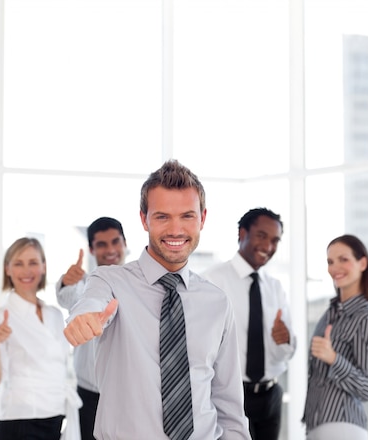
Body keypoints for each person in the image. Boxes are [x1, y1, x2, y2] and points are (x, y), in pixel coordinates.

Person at [63, 159, 251, 440]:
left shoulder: (217, 302)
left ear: (202, 218)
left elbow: (229, 406)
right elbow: (92, 302)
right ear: (144, 219)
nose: (176, 230)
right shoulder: (110, 281)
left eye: (187, 216)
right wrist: (83, 318)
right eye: (162, 216)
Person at [202, 207, 297, 440]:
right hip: (230, 395)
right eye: (261, 236)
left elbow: (285, 352)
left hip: (270, 395)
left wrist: (285, 340)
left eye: (275, 240)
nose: (268, 246)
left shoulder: (275, 287)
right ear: (242, 233)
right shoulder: (212, 281)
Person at [0, 237, 80, 440]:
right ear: (7, 269)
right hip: (21, 421)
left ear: (43, 267)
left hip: (55, 420)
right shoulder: (1, 317)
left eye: (33, 263)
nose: (26, 271)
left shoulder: (54, 314)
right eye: (18, 263)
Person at [302, 234, 368, 440]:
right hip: (317, 424)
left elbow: (367, 388)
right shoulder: (331, 312)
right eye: (330, 262)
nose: (335, 268)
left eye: (343, 260)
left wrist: (333, 359)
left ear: (362, 263)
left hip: (343, 427)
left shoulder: (365, 318)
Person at [56, 217, 127, 440]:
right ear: (91, 249)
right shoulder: (84, 284)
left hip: (127, 395)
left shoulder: (138, 284)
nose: (110, 250)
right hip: (89, 396)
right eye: (102, 244)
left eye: (115, 242)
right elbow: (68, 298)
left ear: (124, 243)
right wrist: (68, 281)